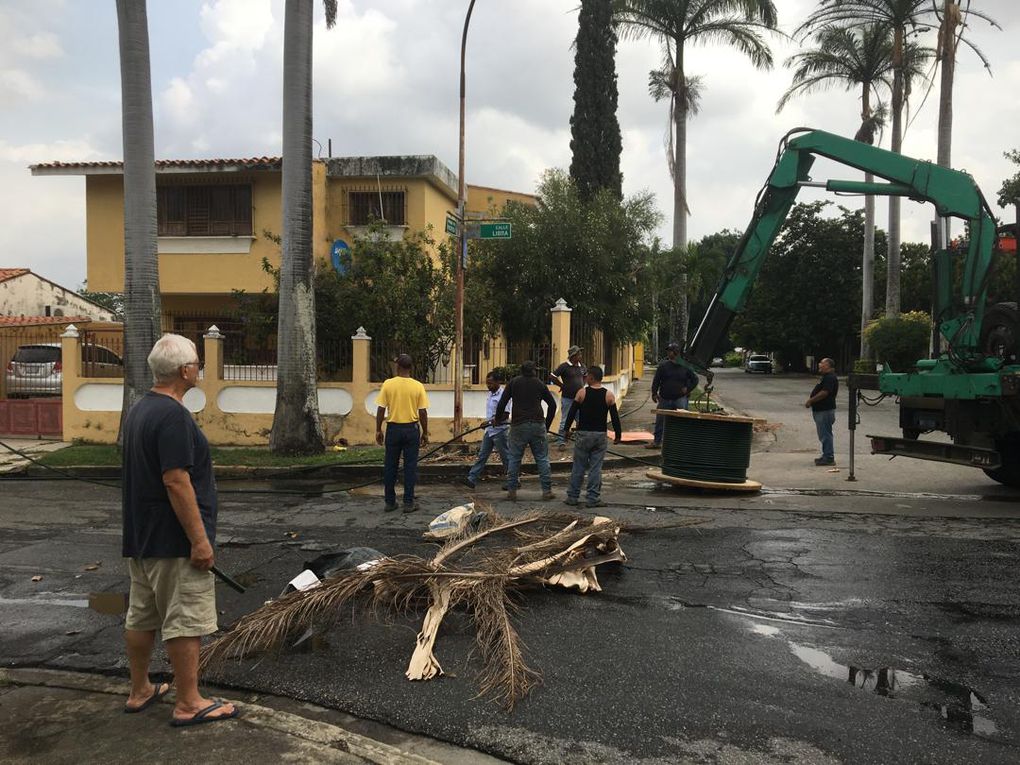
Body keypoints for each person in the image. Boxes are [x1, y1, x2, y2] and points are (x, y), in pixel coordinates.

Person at [121, 333, 239, 727]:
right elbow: (175, 480)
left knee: (142, 615)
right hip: (173, 541)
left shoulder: (140, 409)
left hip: (143, 538)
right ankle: (189, 702)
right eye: (198, 363)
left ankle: (140, 689)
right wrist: (200, 540)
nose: (199, 368)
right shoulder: (172, 415)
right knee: (184, 617)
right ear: (186, 370)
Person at [494, 360, 557, 501]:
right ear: (533, 371)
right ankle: (547, 491)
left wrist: (498, 419)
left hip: (518, 425)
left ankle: (512, 491)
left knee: (515, 458)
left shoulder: (513, 383)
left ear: (521, 371)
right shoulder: (539, 383)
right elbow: (552, 405)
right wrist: (547, 425)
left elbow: (502, 403)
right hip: (537, 425)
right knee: (542, 458)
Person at [376, 353, 430, 512]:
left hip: (393, 429)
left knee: (390, 466)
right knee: (410, 466)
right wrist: (425, 432)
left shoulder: (388, 384)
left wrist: (378, 429)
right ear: (410, 367)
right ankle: (408, 502)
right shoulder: (418, 386)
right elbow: (423, 412)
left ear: (398, 366)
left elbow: (381, 409)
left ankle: (390, 502)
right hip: (411, 429)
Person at [562, 365, 622, 508]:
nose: (585, 377)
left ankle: (573, 497)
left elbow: (571, 413)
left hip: (583, 434)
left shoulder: (582, 393)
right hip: (600, 435)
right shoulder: (608, 395)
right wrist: (618, 435)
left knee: (578, 467)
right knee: (596, 468)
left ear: (591, 377)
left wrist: (566, 430)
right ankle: (593, 498)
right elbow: (615, 417)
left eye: (587, 375)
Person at [462, 370, 511, 490]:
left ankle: (513, 480)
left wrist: (489, 422)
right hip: (490, 431)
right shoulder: (490, 394)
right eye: (487, 383)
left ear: (498, 382)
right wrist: (488, 424)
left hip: (500, 431)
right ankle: (471, 479)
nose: (488, 386)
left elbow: (505, 415)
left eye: (491, 383)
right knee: (482, 455)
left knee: (506, 457)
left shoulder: (504, 395)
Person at [648, 341, 699, 449]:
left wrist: (688, 389)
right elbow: (656, 380)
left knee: (682, 421)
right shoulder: (663, 366)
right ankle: (657, 442)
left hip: (680, 398)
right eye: (668, 351)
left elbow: (695, 379)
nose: (668, 353)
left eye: (670, 351)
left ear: (676, 352)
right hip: (664, 398)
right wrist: (654, 393)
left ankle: (681, 444)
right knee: (660, 421)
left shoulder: (685, 366)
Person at [549, 345, 586, 448]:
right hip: (568, 398)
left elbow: (586, 375)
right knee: (565, 419)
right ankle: (561, 440)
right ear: (573, 356)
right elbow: (552, 376)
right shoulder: (564, 366)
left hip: (579, 399)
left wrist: (583, 384)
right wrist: (561, 385)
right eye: (579, 354)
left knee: (581, 420)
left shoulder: (582, 366)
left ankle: (580, 439)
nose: (581, 355)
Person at [805, 357, 838, 466]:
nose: (819, 365)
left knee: (825, 434)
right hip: (822, 410)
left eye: (821, 363)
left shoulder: (830, 378)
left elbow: (825, 392)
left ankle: (828, 457)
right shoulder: (826, 377)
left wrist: (811, 400)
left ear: (828, 366)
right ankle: (826, 455)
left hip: (825, 410)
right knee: (823, 434)